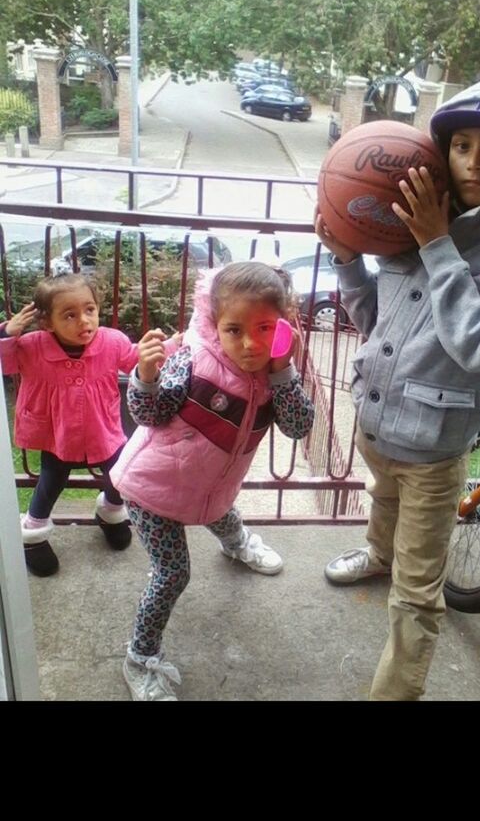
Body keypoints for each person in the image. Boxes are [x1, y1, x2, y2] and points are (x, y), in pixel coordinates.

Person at [315, 73, 480, 701]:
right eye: (462, 144)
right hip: (376, 424)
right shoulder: (405, 221)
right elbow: (372, 319)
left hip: (436, 452)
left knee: (417, 599)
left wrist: (438, 244)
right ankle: (377, 552)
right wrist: (346, 259)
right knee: (381, 499)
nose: (473, 161)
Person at [110, 261, 315, 701]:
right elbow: (149, 415)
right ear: (212, 323)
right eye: (233, 329)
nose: (248, 344)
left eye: (264, 328)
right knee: (172, 574)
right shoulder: (194, 357)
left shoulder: (274, 374)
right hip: (152, 489)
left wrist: (282, 370)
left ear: (281, 328)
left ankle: (237, 543)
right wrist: (145, 378)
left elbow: (299, 425)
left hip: (210, 488)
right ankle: (139, 658)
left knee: (220, 512)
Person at [0, 272, 178, 577]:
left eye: (89, 310)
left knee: (119, 475)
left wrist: (167, 348)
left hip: (102, 428)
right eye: (69, 315)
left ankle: (110, 513)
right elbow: (6, 363)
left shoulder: (112, 341)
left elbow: (134, 360)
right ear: (47, 322)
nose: (84, 320)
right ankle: (33, 534)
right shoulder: (31, 346)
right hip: (56, 433)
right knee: (51, 481)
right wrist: (5, 334)